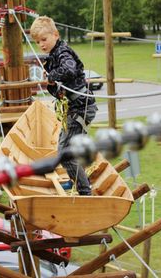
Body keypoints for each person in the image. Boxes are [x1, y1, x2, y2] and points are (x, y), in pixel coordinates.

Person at [30, 16, 97, 195]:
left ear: (55, 34)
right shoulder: (52, 57)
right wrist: (53, 86)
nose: (41, 45)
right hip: (75, 108)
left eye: (44, 39)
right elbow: (61, 88)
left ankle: (85, 191)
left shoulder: (62, 53)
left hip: (81, 108)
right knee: (64, 147)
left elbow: (69, 69)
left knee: (65, 154)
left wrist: (52, 76)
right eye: (37, 42)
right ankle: (77, 177)